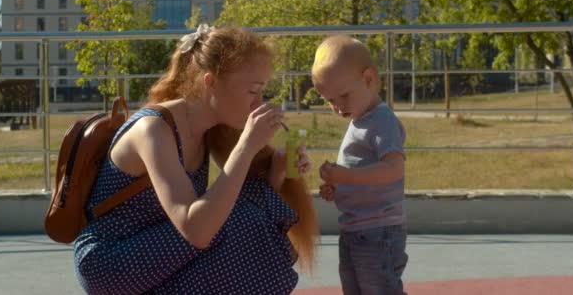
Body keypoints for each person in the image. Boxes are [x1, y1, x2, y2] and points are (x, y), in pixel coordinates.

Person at [74, 25, 318, 294]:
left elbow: (235, 208)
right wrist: (247, 147)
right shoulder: (153, 129)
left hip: (163, 251)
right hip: (112, 260)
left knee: (251, 208)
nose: (259, 103)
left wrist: (277, 170)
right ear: (210, 82)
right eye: (253, 91)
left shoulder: (207, 130)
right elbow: (196, 230)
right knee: (240, 222)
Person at [312, 35, 408, 295]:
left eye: (343, 95)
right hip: (355, 228)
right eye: (330, 100)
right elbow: (360, 175)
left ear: (369, 79)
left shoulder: (382, 121)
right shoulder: (360, 120)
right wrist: (336, 186)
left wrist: (346, 176)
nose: (337, 106)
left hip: (378, 231)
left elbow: (393, 169)